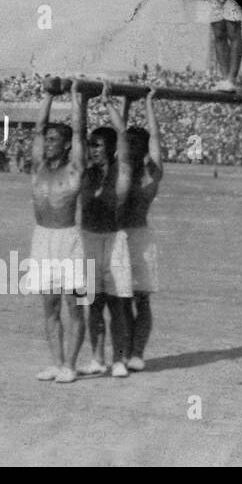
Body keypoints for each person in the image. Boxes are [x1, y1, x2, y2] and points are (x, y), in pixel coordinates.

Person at [29, 82, 86, 384]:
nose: (48, 143)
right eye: (47, 139)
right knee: (49, 306)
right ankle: (56, 362)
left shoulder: (75, 168)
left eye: (54, 140)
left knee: (74, 306)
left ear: (66, 145)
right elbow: (38, 129)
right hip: (42, 240)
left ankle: (71, 365)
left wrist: (76, 96)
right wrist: (49, 96)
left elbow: (78, 132)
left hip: (69, 241)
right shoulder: (37, 167)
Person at [78, 84, 133, 379]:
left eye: (98, 145)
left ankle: (119, 359)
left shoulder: (120, 170)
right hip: (88, 239)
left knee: (117, 304)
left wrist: (107, 100)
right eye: (91, 145)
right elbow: (78, 132)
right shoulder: (86, 171)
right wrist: (82, 99)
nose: (93, 149)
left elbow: (122, 135)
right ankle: (97, 358)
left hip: (114, 240)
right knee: (93, 304)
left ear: (110, 148)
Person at [107, 87, 164, 371]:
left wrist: (149, 103)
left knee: (141, 299)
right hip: (118, 238)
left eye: (132, 144)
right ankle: (125, 350)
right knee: (121, 299)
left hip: (140, 237)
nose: (126, 147)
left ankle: (137, 352)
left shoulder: (151, 173)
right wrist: (123, 103)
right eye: (125, 143)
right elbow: (119, 133)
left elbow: (154, 137)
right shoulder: (120, 169)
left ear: (141, 149)